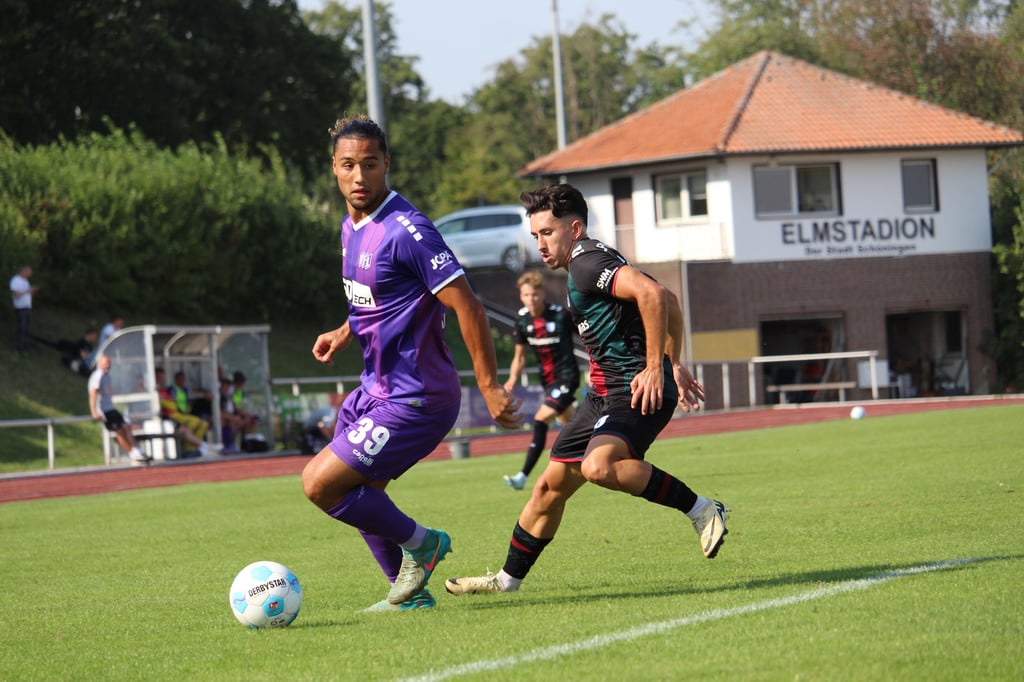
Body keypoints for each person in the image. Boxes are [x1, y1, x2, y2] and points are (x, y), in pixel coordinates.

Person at [445, 183, 728, 598]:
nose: (540, 244)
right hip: (602, 395)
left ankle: (704, 509)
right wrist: (674, 361)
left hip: (632, 391)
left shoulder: (585, 262)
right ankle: (505, 581)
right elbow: (666, 297)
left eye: (547, 233)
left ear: (574, 228)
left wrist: (656, 367)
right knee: (547, 489)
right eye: (535, 236)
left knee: (598, 467)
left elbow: (653, 295)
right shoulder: (594, 258)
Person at [301, 114, 522, 613]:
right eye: (349, 166)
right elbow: (378, 300)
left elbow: (467, 304)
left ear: (387, 165)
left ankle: (424, 544)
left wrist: (488, 386)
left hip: (416, 396)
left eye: (371, 164)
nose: (360, 177)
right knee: (362, 497)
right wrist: (343, 331)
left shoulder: (410, 231)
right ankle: (408, 596)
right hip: (374, 388)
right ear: (333, 168)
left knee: (320, 483)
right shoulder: (350, 227)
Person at [502, 270, 581, 490]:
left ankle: (523, 476)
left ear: (542, 294)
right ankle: (597, 455)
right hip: (548, 382)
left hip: (567, 377)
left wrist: (596, 365)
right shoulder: (522, 321)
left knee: (540, 419)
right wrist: (511, 380)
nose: (531, 299)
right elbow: (520, 356)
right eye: (526, 295)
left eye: (535, 295)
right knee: (572, 427)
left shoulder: (559, 316)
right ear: (521, 296)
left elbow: (587, 337)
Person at [88, 355, 151, 463]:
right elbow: (93, 394)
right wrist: (94, 411)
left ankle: (137, 450)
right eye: (105, 363)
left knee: (126, 427)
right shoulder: (98, 375)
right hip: (104, 411)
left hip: (110, 408)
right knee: (119, 431)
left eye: (108, 362)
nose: (107, 365)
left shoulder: (106, 375)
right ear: (99, 364)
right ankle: (133, 454)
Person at [155, 367, 218, 457]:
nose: (161, 379)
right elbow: (169, 404)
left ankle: (197, 449)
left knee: (203, 424)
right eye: (158, 377)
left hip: (181, 415)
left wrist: (205, 391)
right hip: (172, 415)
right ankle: (202, 448)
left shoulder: (180, 389)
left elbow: (192, 390)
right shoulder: (170, 389)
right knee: (192, 425)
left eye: (162, 377)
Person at [9, 265, 38, 354]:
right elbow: (15, 295)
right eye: (28, 273)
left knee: (26, 328)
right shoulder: (15, 280)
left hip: (27, 307)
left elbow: (28, 294)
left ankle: (24, 344)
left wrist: (32, 291)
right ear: (23, 271)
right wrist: (27, 291)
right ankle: (19, 347)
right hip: (20, 307)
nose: (29, 275)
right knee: (22, 327)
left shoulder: (26, 281)